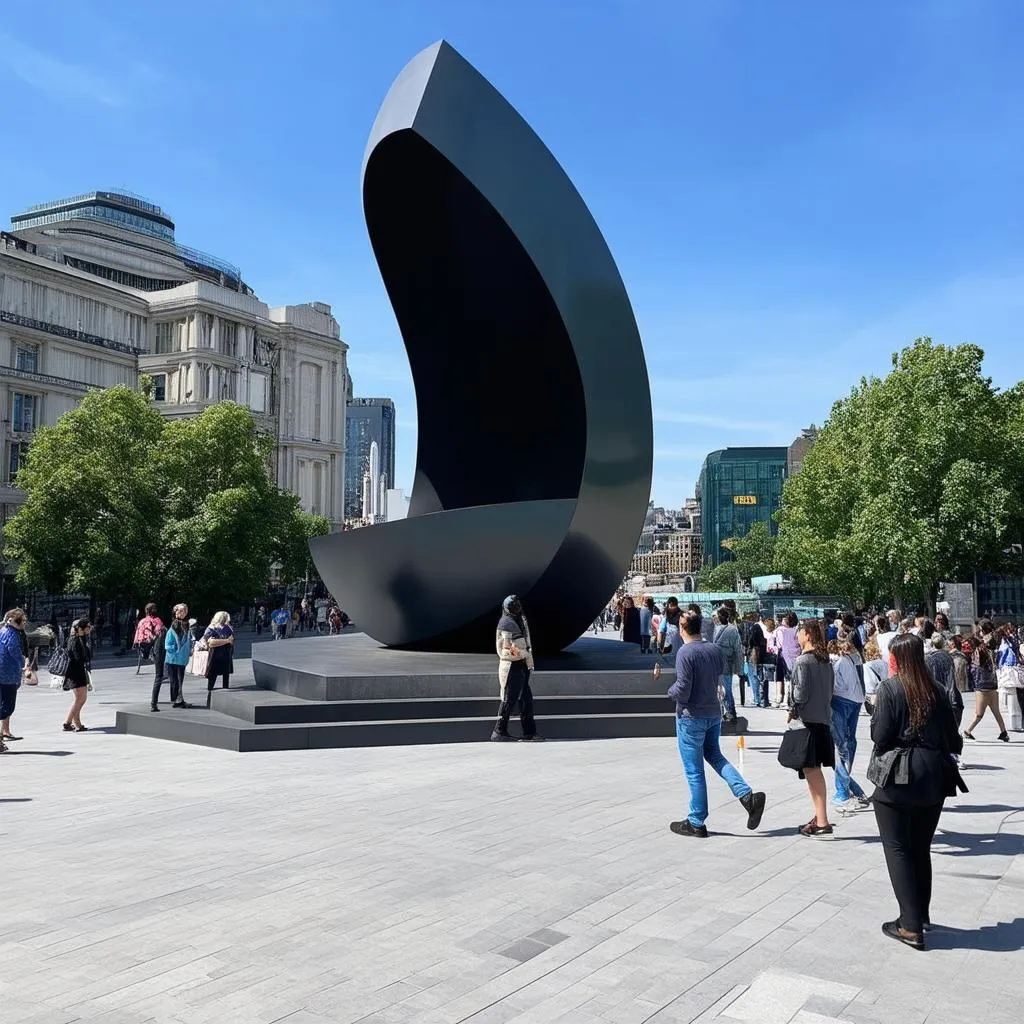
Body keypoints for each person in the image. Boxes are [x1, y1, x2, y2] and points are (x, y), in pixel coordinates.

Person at [870, 633, 965, 950]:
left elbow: (880, 737)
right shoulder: (936, 689)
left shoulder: (890, 688)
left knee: (897, 847)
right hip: (934, 775)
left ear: (894, 659)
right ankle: (920, 914)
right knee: (920, 846)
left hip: (899, 774)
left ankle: (910, 925)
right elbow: (954, 738)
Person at [667, 609, 766, 838]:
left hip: (691, 716)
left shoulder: (685, 652)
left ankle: (696, 820)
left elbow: (683, 688)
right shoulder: (713, 649)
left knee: (694, 771)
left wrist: (669, 692)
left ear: (683, 628)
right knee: (716, 756)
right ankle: (747, 796)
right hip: (713, 713)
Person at [787, 619, 836, 838]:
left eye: (799, 633)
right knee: (811, 770)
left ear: (807, 634)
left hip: (806, 722)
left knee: (812, 770)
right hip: (823, 719)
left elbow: (800, 694)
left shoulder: (803, 661)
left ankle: (822, 820)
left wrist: (791, 707)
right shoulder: (825, 661)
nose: (797, 637)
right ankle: (819, 816)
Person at [829, 628, 870, 813]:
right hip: (856, 700)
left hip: (841, 700)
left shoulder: (838, 661)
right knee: (849, 743)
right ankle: (845, 787)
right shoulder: (856, 658)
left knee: (841, 747)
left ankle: (843, 790)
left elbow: (835, 685)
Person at [492, 595, 541, 742]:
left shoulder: (518, 620)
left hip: (521, 666)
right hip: (512, 666)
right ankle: (499, 730)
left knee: (526, 700)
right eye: (514, 605)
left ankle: (529, 732)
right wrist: (524, 654)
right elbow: (506, 649)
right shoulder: (505, 624)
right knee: (510, 699)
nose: (517, 607)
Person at [963, 620, 1009, 742]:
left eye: (980, 630)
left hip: (982, 684)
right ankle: (1004, 732)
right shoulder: (992, 644)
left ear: (983, 630)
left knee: (979, 713)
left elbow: (976, 662)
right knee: (995, 711)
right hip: (992, 683)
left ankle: (967, 731)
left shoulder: (983, 645)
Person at [0, 608, 28, 749]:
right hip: (7, 675)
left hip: (5, 674)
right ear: (12, 621)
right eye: (21, 620)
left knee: (4, 707)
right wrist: (23, 662)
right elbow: (13, 649)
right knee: (7, 707)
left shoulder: (4, 631)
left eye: (24, 620)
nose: (24, 623)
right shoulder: (12, 633)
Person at [713, 607, 744, 721]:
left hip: (716, 663)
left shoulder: (715, 629)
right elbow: (738, 650)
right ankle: (729, 711)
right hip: (727, 662)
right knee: (726, 688)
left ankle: (728, 710)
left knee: (720, 688)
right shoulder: (732, 630)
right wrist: (739, 668)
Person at [62, 619, 93, 732]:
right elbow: (78, 657)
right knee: (81, 699)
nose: (89, 629)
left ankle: (69, 722)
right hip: (75, 672)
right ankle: (75, 723)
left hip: (77, 671)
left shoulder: (80, 639)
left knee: (79, 699)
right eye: (87, 627)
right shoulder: (74, 640)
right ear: (80, 629)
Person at [161, 604, 194, 710]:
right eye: (181, 610)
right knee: (175, 680)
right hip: (174, 658)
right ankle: (177, 700)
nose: (184, 612)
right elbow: (168, 644)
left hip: (181, 658)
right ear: (176, 612)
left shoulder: (185, 625)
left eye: (185, 610)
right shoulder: (175, 625)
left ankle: (178, 700)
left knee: (179, 680)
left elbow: (188, 639)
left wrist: (189, 649)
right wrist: (176, 649)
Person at [203, 612, 235, 707]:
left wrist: (221, 641)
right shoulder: (211, 628)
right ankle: (210, 693)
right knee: (212, 675)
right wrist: (226, 641)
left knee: (226, 674)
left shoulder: (228, 628)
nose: (226, 620)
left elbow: (232, 640)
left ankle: (226, 693)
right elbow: (211, 643)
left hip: (226, 654)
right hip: (215, 655)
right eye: (225, 618)